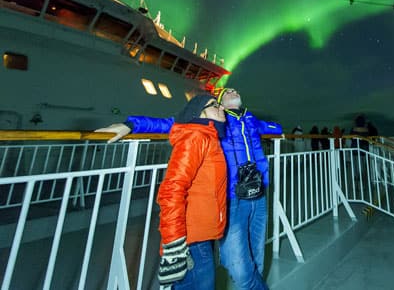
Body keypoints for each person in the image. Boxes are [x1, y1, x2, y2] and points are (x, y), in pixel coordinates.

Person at [97, 88, 282, 289]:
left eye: (234, 90)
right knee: (238, 265)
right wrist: (131, 124)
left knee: (257, 256)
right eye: (225, 93)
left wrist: (281, 130)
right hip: (233, 197)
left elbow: (273, 127)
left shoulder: (250, 119)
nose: (232, 91)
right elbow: (172, 123)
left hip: (259, 192)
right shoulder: (215, 123)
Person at [156, 94, 227, 290]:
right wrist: (174, 246)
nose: (221, 108)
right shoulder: (196, 137)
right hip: (191, 241)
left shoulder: (209, 136)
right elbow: (171, 189)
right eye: (214, 105)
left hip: (200, 235)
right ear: (199, 113)